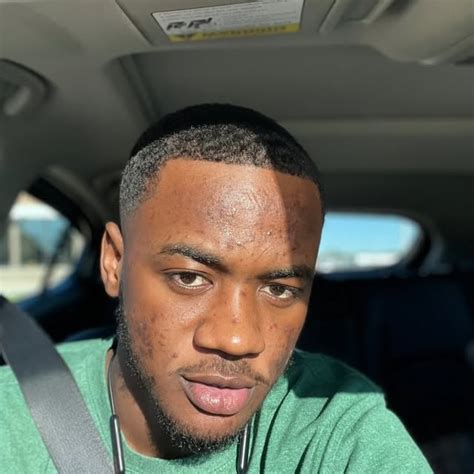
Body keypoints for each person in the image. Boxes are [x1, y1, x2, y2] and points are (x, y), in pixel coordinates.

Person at [0, 104, 432, 473]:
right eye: (190, 278)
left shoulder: (335, 427)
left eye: (280, 289)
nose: (237, 340)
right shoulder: (13, 419)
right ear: (114, 263)